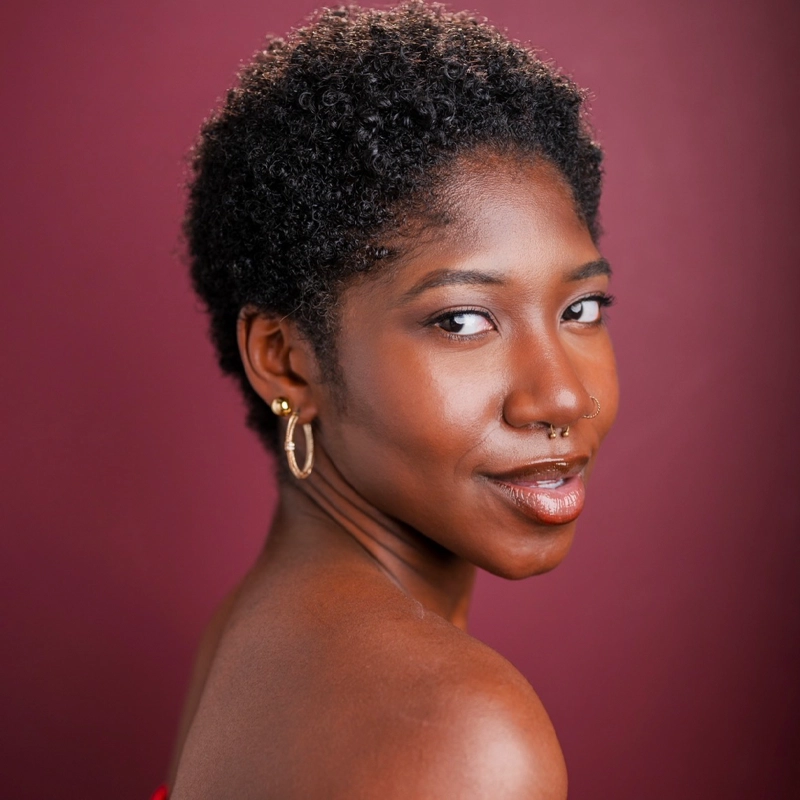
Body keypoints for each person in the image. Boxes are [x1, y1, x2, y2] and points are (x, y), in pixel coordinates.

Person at [162, 2, 618, 797]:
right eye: (463, 320)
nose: (563, 394)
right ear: (286, 361)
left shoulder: (259, 633)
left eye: (580, 310)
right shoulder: (461, 731)